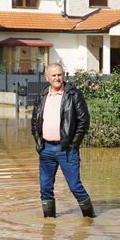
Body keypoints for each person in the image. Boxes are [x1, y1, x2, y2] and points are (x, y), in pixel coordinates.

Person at [31, 63, 94, 218]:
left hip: (67, 149)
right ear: (47, 78)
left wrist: (74, 143)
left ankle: (90, 219)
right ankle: (49, 224)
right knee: (45, 188)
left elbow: (83, 120)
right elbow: (34, 121)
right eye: (53, 75)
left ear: (63, 75)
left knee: (75, 186)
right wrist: (39, 143)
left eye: (59, 75)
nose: (57, 78)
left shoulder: (73, 94)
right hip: (46, 149)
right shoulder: (42, 95)